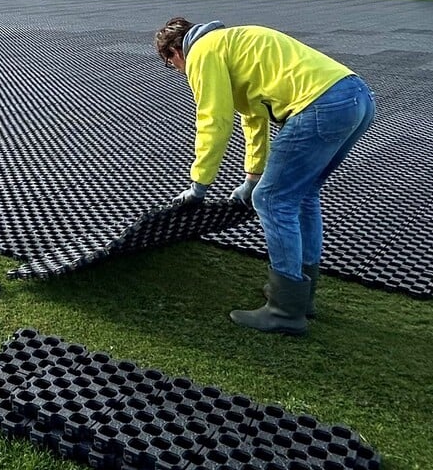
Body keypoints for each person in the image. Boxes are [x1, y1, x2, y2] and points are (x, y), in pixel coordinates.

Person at [155, 18, 375, 334]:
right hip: (357, 97)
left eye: (172, 64)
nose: (178, 71)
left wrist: (198, 186)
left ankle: (285, 312)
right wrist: (252, 177)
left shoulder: (202, 51)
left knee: (272, 200)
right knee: (303, 195)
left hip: (320, 105)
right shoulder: (232, 43)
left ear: (176, 51)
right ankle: (301, 297)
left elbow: (213, 121)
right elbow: (253, 119)